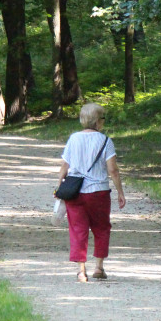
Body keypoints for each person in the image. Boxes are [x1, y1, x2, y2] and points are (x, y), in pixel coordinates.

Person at [56, 103, 126, 282]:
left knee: (78, 229)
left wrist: (59, 188)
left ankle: (81, 271)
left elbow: (64, 167)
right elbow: (113, 170)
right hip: (98, 192)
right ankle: (99, 268)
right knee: (102, 228)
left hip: (74, 192)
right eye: (103, 118)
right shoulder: (105, 141)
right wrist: (120, 192)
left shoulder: (73, 139)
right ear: (98, 121)